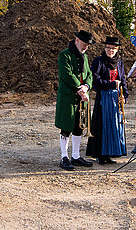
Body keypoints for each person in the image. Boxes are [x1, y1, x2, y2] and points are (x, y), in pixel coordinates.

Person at [55, 30, 94, 171]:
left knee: (79, 126)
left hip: (82, 96)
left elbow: (89, 73)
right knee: (66, 127)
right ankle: (64, 157)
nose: (86, 47)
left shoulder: (85, 56)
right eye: (84, 44)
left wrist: (87, 86)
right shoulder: (64, 55)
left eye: (88, 46)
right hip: (68, 96)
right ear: (77, 40)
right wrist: (80, 88)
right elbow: (67, 74)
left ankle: (76, 156)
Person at [86, 36, 128, 165]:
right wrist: (110, 84)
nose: (111, 50)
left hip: (116, 98)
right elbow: (95, 79)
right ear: (104, 48)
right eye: (108, 48)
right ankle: (100, 154)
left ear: (117, 49)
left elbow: (123, 80)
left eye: (113, 48)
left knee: (115, 126)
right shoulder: (98, 62)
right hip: (103, 97)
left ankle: (110, 154)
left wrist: (124, 95)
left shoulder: (119, 63)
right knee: (102, 126)